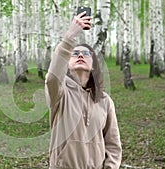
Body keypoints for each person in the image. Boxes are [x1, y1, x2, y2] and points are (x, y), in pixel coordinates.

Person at [45, 11, 122, 169]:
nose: (80, 55)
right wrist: (70, 36)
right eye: (75, 53)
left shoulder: (104, 101)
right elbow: (52, 78)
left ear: (93, 64)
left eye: (86, 53)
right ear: (67, 62)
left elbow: (113, 145)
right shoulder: (60, 93)